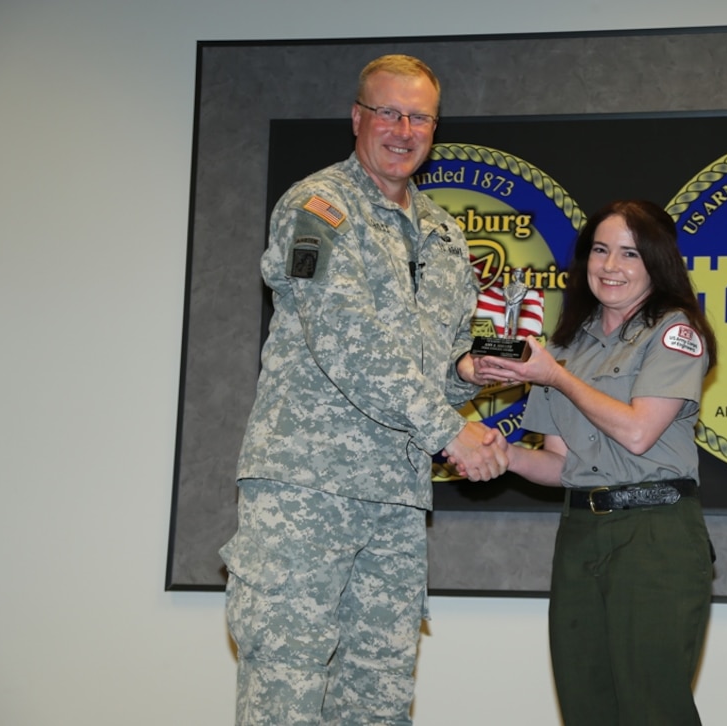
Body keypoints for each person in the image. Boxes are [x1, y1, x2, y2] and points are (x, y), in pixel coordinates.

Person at [219, 54, 507, 725]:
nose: (404, 129)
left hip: (396, 504)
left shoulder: (444, 233)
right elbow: (347, 342)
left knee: (378, 702)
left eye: (421, 117)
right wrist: (451, 432)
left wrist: (470, 371)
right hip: (306, 492)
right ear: (358, 118)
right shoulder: (316, 209)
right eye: (390, 112)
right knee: (286, 696)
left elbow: (431, 357)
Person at [469, 199, 718, 725]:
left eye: (630, 253)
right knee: (586, 705)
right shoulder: (564, 347)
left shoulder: (673, 332)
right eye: (600, 250)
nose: (611, 266)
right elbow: (561, 465)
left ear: (656, 263)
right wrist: (504, 454)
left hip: (655, 536)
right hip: (581, 532)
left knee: (653, 708)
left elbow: (637, 431)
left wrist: (556, 378)